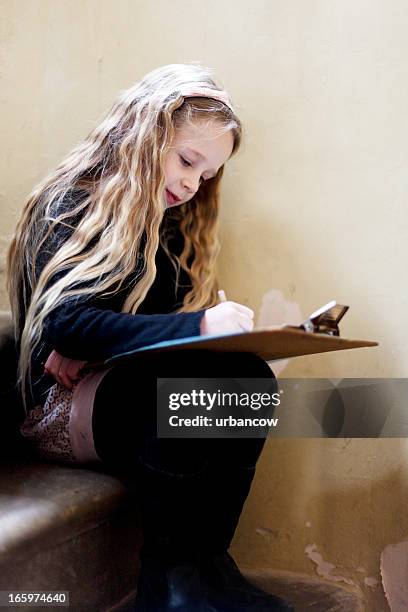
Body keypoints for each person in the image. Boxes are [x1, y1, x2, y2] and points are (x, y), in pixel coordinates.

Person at [6, 63, 294, 611]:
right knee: (178, 393)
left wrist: (114, 337)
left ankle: (207, 561)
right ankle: (168, 580)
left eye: (206, 175)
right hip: (57, 409)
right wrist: (199, 325)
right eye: (187, 161)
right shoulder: (71, 202)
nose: (191, 183)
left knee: (250, 381)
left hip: (110, 388)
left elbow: (129, 326)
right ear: (146, 134)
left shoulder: (163, 224)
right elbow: (66, 323)